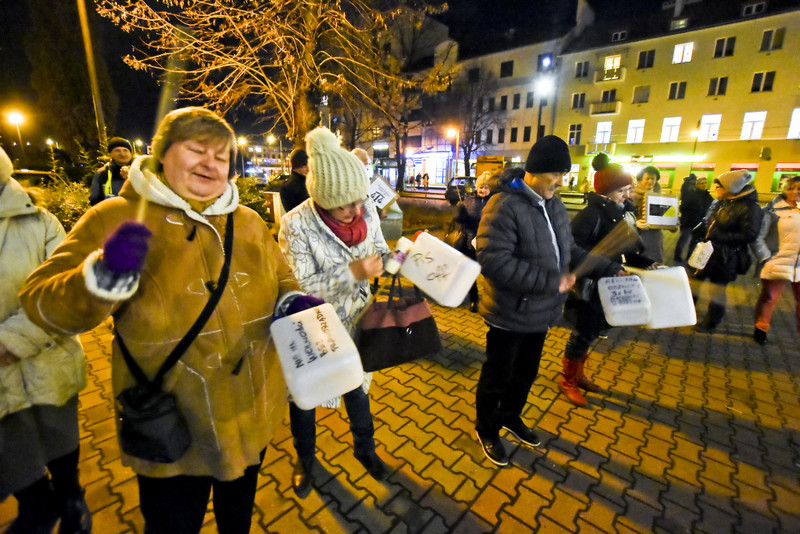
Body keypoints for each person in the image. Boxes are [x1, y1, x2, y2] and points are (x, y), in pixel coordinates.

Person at [21, 107, 305, 534]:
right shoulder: (115, 217)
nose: (212, 163)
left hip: (250, 415)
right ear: (161, 155)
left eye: (222, 156)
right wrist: (101, 276)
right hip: (174, 424)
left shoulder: (245, 221)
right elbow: (40, 302)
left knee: (238, 519)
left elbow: (282, 275)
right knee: (173, 524)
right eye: (197, 150)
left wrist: (294, 300)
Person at [473, 136, 618, 467]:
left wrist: (610, 266)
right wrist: (552, 282)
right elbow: (494, 261)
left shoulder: (554, 204)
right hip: (509, 313)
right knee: (499, 374)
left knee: (526, 373)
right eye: (556, 173)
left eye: (564, 174)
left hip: (540, 312)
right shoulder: (503, 205)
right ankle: (487, 429)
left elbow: (569, 251)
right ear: (535, 171)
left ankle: (510, 416)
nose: (561, 180)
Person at [278, 127, 391, 497]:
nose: (355, 211)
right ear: (323, 198)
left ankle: (366, 450)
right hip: (313, 328)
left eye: (359, 202)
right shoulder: (295, 224)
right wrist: (354, 273)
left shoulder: (366, 209)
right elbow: (299, 288)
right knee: (306, 399)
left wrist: (405, 256)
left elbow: (381, 249)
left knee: (357, 391)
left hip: (358, 320)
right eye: (345, 205)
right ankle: (305, 460)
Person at [0, 147, 91, 534]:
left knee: (59, 436)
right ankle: (37, 504)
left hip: (47, 359)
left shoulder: (39, 222)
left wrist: (12, 340)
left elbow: (67, 294)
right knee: (12, 447)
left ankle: (71, 498)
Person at [560, 153, 653, 406]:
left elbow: (621, 250)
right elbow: (574, 251)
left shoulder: (617, 213)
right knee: (582, 333)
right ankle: (567, 380)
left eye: (627, 189)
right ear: (608, 190)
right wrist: (608, 267)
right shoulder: (591, 215)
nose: (627, 195)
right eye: (622, 190)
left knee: (591, 333)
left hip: (606, 283)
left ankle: (578, 375)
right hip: (589, 287)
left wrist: (647, 263)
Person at [692, 170, 761, 333]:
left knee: (717, 290)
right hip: (706, 251)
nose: (715, 189)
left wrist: (719, 236)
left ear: (731, 187)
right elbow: (710, 220)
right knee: (692, 282)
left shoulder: (751, 207)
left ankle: (711, 322)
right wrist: (701, 228)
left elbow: (749, 234)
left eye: (719, 186)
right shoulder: (722, 201)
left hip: (726, 256)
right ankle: (685, 312)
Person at [752, 176, 800, 345]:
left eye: (799, 189)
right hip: (778, 262)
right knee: (769, 298)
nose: (795, 192)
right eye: (791, 188)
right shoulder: (773, 210)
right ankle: (761, 328)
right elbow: (759, 237)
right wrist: (766, 258)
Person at [452, 170, 493, 312]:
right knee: (470, 273)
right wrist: (459, 215)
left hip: (488, 245)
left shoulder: (496, 202)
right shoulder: (468, 199)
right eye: (481, 186)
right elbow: (461, 221)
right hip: (469, 243)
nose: (483, 190)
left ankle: (491, 300)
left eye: (486, 187)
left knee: (490, 275)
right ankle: (474, 299)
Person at [675, 175, 712, 263]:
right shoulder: (691, 195)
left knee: (694, 242)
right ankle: (677, 256)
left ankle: (690, 258)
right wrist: (687, 216)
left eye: (705, 183)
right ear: (697, 184)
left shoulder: (708, 196)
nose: (704, 185)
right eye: (701, 183)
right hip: (689, 222)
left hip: (700, 223)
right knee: (683, 240)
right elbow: (683, 207)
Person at [632, 166, 665, 263]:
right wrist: (636, 223)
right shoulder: (631, 196)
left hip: (655, 237)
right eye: (647, 178)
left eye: (653, 179)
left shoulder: (661, 196)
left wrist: (672, 222)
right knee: (639, 265)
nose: (650, 181)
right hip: (638, 236)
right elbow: (625, 217)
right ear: (640, 180)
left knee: (654, 264)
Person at [89, 137, 134, 206]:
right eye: (117, 150)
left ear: (131, 154)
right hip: (112, 214)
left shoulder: (141, 171)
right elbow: (94, 199)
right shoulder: (103, 173)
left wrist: (133, 179)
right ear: (111, 154)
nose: (122, 154)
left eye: (125, 150)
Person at [279, 148, 310, 212]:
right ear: (296, 167)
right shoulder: (288, 187)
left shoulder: (311, 182)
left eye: (308, 165)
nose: (307, 169)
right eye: (303, 166)